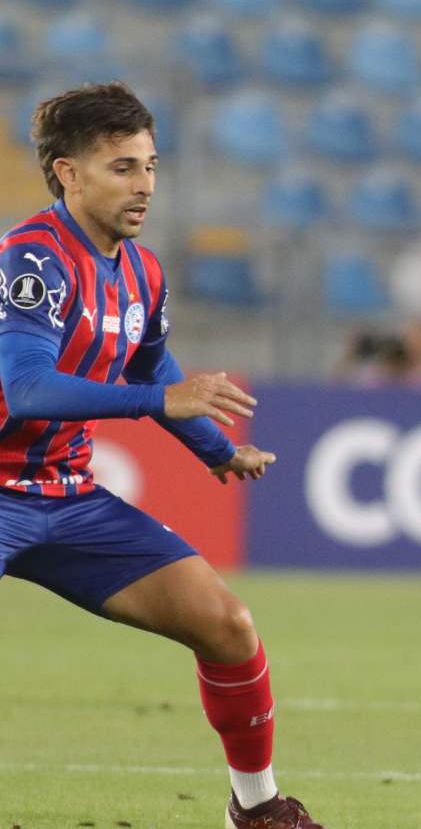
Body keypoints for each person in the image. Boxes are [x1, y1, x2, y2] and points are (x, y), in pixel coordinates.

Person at [0, 82, 319, 828]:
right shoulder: (31, 261)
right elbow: (27, 390)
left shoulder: (141, 272)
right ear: (67, 173)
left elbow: (151, 366)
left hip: (65, 497)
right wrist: (159, 407)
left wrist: (218, 451)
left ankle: (260, 807)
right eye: (121, 167)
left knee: (228, 625)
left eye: (150, 165)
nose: (144, 185)